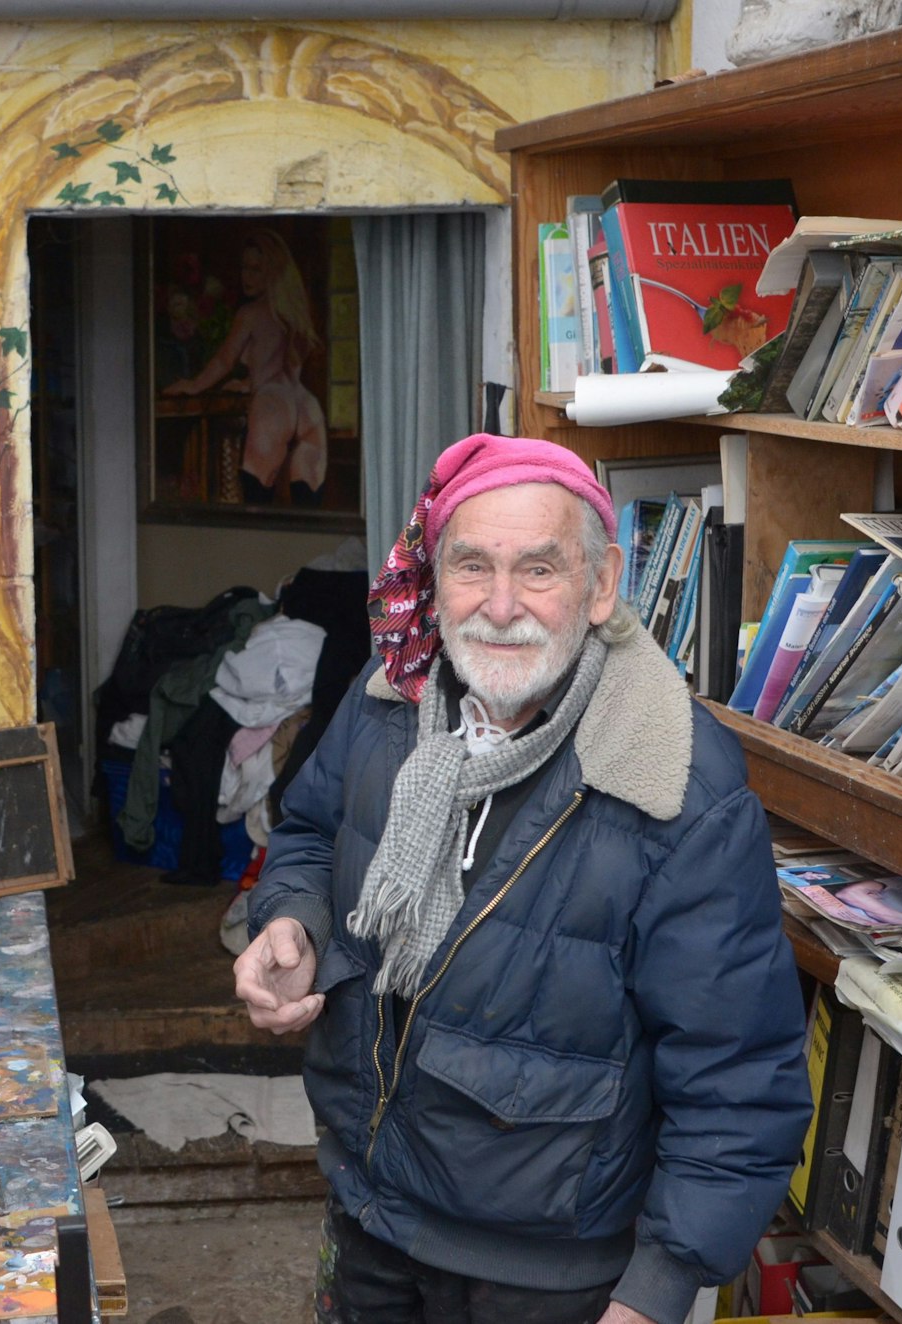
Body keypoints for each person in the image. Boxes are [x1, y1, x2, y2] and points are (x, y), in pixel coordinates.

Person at [234, 435, 812, 1324]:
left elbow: (738, 1073)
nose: (500, 607)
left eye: (538, 569)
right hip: (369, 1212)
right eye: (470, 566)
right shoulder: (389, 698)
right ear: (433, 579)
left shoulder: (674, 781)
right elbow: (309, 832)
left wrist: (654, 1293)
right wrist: (294, 922)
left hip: (549, 1280)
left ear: (601, 584)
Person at [163, 228, 329, 507]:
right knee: (306, 511)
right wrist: (250, 383)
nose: (247, 276)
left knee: (255, 508)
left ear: (272, 272)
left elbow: (223, 361)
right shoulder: (292, 316)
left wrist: (193, 385)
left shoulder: (250, 315)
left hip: (272, 407)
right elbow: (283, 367)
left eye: (256, 269)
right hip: (306, 407)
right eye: (245, 268)